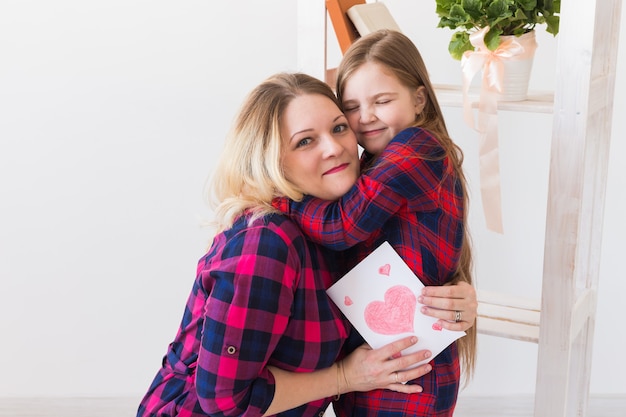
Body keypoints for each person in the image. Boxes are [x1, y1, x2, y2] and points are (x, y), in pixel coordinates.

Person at [137, 72, 476, 417]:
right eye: (305, 141)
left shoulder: (338, 228)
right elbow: (225, 402)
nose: (334, 148)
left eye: (339, 128)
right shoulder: (267, 242)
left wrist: (455, 302)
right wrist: (345, 377)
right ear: (271, 159)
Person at [273, 30, 477, 416]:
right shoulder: (371, 164)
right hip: (382, 355)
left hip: (411, 364)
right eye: (351, 106)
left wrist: (281, 198)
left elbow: (340, 226)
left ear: (419, 99)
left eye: (382, 101)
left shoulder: (417, 148)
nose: (365, 117)